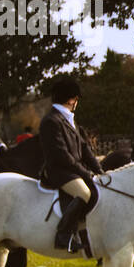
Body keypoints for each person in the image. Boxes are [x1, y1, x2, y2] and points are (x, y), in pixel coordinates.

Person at [40, 76, 103, 253]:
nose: (77, 102)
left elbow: (84, 148)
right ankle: (63, 236)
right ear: (71, 99)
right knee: (84, 193)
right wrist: (85, 172)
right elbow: (61, 155)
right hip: (59, 171)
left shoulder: (69, 119)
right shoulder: (51, 121)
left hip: (72, 170)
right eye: (77, 98)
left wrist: (99, 169)